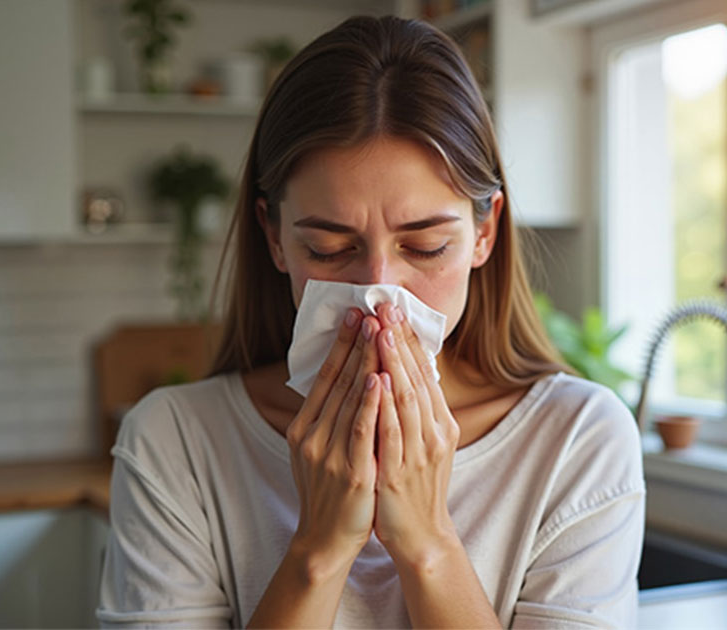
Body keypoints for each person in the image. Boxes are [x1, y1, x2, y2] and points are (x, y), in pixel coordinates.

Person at [96, 14, 645, 629]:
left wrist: (428, 543)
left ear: (484, 233)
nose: (378, 294)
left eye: (427, 247)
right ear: (275, 239)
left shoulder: (577, 440)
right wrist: (319, 550)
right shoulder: (175, 441)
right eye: (329, 249)